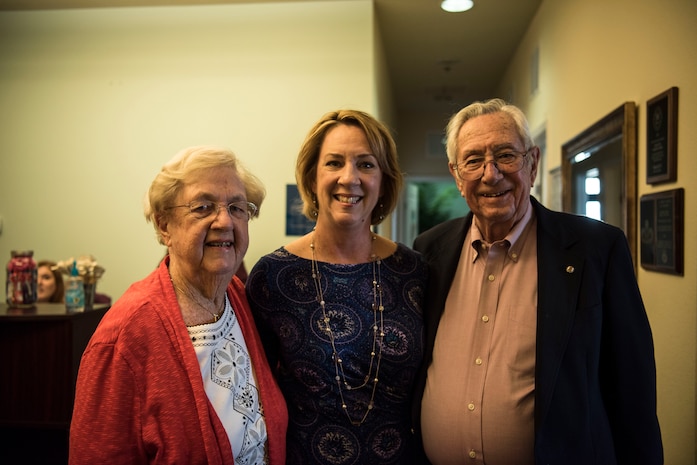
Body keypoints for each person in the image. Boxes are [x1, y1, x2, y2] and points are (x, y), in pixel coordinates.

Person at [412, 98, 663, 465]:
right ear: (456, 174)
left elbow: (633, 392)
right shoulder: (430, 249)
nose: (490, 173)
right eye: (473, 160)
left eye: (505, 155)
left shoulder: (595, 249)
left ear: (532, 162)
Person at [70, 145, 288, 465]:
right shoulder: (123, 337)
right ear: (164, 226)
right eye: (203, 207)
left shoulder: (241, 298)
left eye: (238, 207)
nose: (224, 221)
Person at [246, 109, 427, 464]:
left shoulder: (414, 271)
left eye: (366, 164)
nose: (350, 178)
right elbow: (255, 397)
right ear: (312, 177)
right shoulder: (273, 276)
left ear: (384, 180)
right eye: (334, 163)